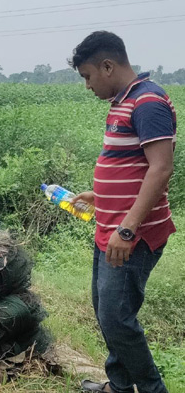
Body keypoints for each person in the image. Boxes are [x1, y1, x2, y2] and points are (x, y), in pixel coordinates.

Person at [69, 31, 175, 393]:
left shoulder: (148, 102)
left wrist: (128, 229)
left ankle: (151, 389)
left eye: (88, 76)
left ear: (108, 66)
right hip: (110, 225)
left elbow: (160, 168)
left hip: (133, 234)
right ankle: (118, 385)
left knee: (116, 317)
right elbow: (130, 167)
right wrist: (100, 194)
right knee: (106, 310)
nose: (87, 86)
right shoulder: (124, 100)